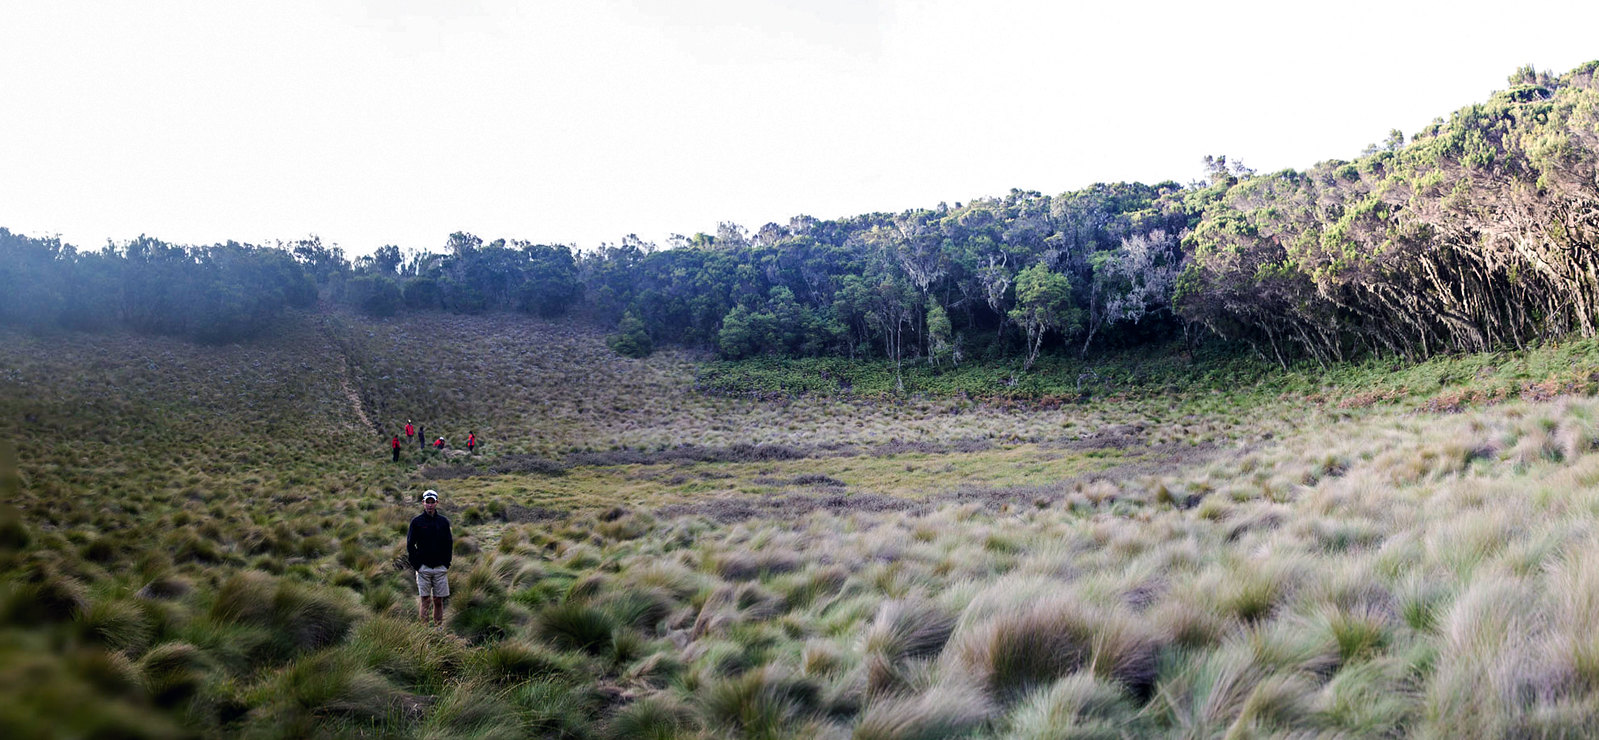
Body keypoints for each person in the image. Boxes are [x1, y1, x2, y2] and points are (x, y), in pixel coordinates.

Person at [407, 490, 452, 627]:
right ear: (423, 503)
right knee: (425, 600)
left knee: (438, 600)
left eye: (433, 502)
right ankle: (424, 631)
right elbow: (410, 544)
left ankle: (438, 630)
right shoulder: (416, 522)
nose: (430, 505)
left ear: (437, 503)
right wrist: (417, 565)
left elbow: (448, 543)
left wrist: (446, 563)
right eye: (428, 502)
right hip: (423, 568)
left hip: (440, 568)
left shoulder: (443, 522)